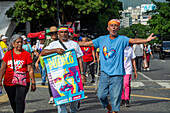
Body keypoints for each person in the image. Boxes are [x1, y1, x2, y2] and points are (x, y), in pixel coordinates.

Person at [78, 19, 156, 113]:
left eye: (116, 26)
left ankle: (115, 111)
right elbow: (86, 44)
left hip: (118, 74)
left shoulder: (122, 39)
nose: (113, 27)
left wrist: (146, 40)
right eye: (111, 25)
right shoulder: (101, 39)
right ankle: (107, 106)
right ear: (108, 28)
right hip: (104, 73)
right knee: (101, 95)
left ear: (118, 28)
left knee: (115, 97)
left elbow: (133, 40)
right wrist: (69, 44)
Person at [41, 26, 84, 113]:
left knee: (75, 98)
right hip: (59, 75)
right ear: (58, 34)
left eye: (65, 32)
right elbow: (43, 53)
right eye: (61, 32)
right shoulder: (54, 44)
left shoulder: (74, 44)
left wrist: (82, 73)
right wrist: (55, 50)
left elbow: (79, 59)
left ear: (68, 33)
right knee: (61, 99)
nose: (64, 34)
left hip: (72, 75)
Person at [0, 34, 36, 113]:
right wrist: (0, 80)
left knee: (19, 100)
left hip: (23, 81)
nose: (20, 44)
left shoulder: (26, 54)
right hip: (9, 82)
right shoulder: (8, 54)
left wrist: (33, 82)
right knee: (13, 101)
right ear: (13, 44)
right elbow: (3, 68)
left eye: (21, 42)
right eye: (18, 42)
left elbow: (30, 69)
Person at [35, 26, 58, 104]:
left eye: (55, 33)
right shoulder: (48, 42)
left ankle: (60, 96)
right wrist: (37, 61)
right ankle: (52, 96)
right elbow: (42, 52)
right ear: (50, 34)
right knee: (50, 81)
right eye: (52, 33)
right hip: (50, 64)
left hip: (59, 64)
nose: (54, 35)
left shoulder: (60, 41)